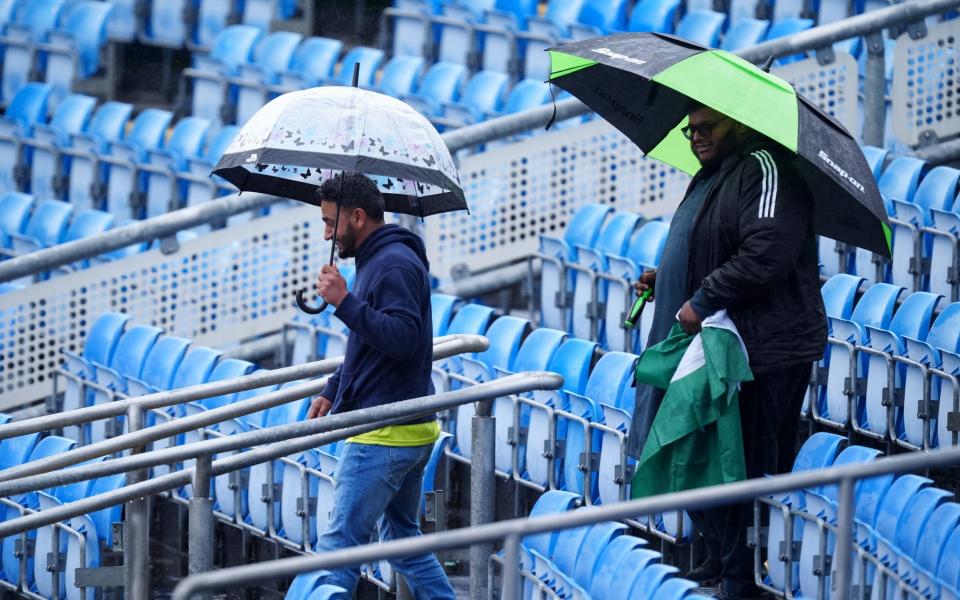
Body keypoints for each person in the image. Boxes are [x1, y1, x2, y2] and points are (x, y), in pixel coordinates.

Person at [628, 102, 826, 599]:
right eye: (689, 128)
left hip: (760, 351)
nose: (695, 136)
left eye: (707, 127)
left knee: (740, 463)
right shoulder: (713, 174)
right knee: (699, 453)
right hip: (714, 346)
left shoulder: (766, 168)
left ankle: (742, 579)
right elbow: (716, 243)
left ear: (739, 120)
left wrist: (702, 297)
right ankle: (719, 559)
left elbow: (766, 254)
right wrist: (668, 277)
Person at [305, 173, 455, 599]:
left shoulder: (393, 263)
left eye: (331, 223)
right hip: (404, 426)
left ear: (357, 216)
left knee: (338, 550)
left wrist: (344, 302)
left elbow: (403, 340)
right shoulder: (377, 260)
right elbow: (368, 344)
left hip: (384, 433)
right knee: (402, 543)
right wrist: (334, 386)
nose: (326, 233)